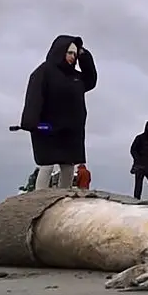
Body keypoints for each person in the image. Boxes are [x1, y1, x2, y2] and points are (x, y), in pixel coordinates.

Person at [20, 35, 97, 191]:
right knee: (47, 165)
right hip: (47, 128)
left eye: (75, 54)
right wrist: (32, 123)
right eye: (69, 53)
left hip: (71, 130)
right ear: (60, 51)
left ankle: (64, 198)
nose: (72, 57)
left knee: (68, 166)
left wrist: (84, 55)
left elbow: (91, 80)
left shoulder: (76, 76)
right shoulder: (43, 71)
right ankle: (39, 199)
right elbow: (34, 98)